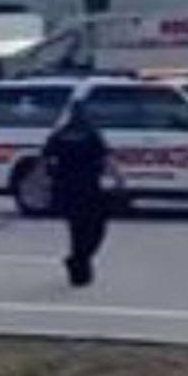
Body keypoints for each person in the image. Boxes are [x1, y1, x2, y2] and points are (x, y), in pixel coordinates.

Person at [42, 100, 113, 287]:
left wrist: (47, 181)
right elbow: (106, 159)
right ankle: (79, 262)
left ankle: (79, 271)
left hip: (65, 189)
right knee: (97, 228)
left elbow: (46, 158)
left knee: (76, 230)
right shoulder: (91, 134)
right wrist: (119, 180)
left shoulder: (60, 134)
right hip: (89, 188)